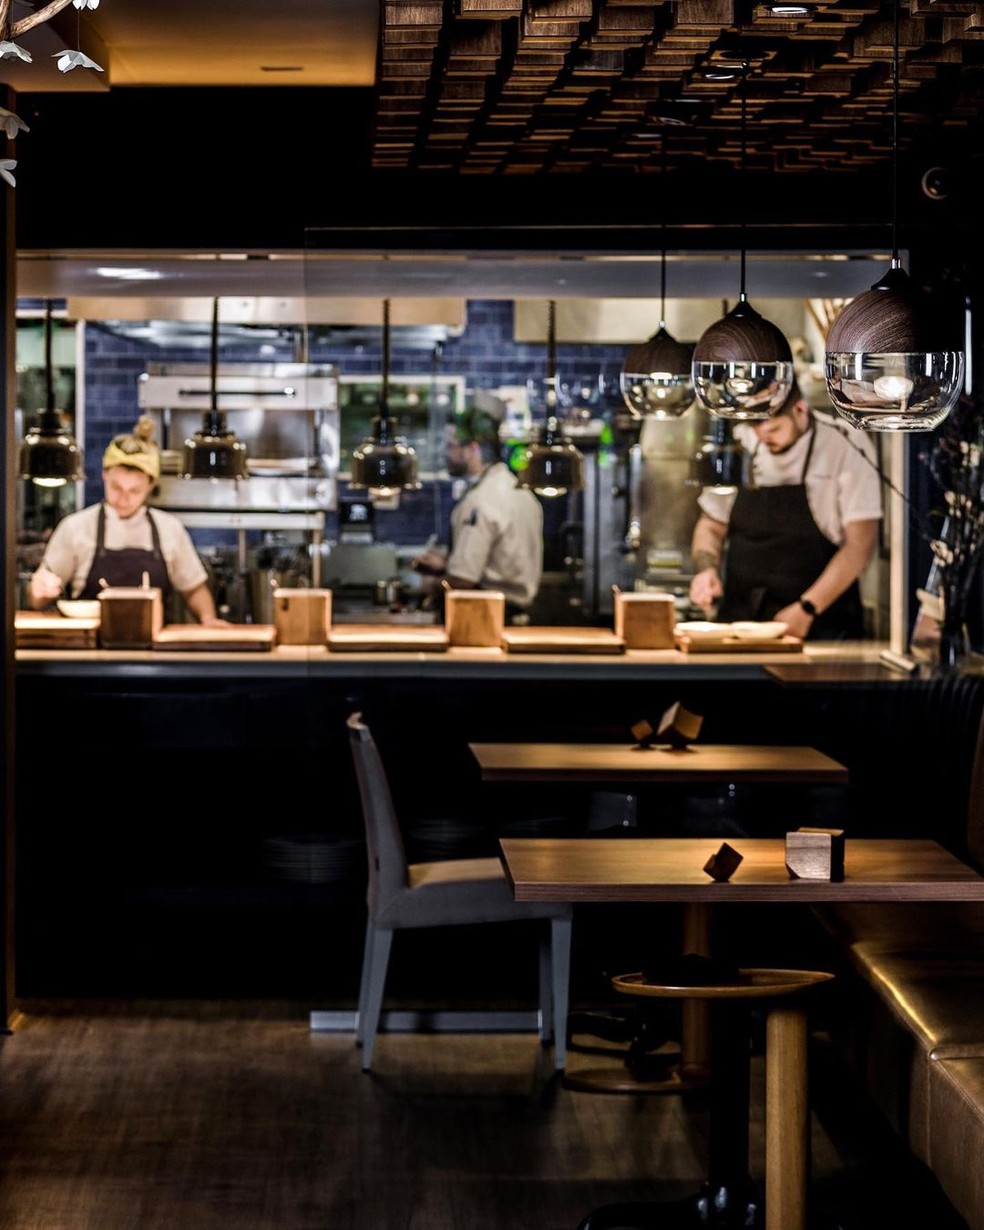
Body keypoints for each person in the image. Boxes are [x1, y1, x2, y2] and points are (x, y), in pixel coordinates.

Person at [688, 381, 883, 640]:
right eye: (757, 429)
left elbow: (860, 546)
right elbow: (711, 525)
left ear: (800, 408)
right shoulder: (741, 440)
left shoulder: (844, 442)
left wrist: (807, 608)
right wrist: (706, 569)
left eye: (775, 429)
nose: (763, 437)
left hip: (821, 626)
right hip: (742, 622)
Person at [28, 416, 226, 626]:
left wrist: (208, 619)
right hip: (91, 648)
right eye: (116, 487)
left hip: (154, 647)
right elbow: (37, 598)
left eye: (134, 490)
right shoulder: (75, 527)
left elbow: (193, 589)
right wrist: (39, 591)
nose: (123, 498)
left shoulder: (169, 529)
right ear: (104, 475)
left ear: (150, 485)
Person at [412, 392, 543, 620]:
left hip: (485, 618)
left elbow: (464, 580)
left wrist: (432, 588)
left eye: (451, 446)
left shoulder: (481, 500)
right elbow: (498, 560)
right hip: (516, 615)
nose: (445, 453)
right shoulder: (521, 492)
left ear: (472, 449)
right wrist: (446, 565)